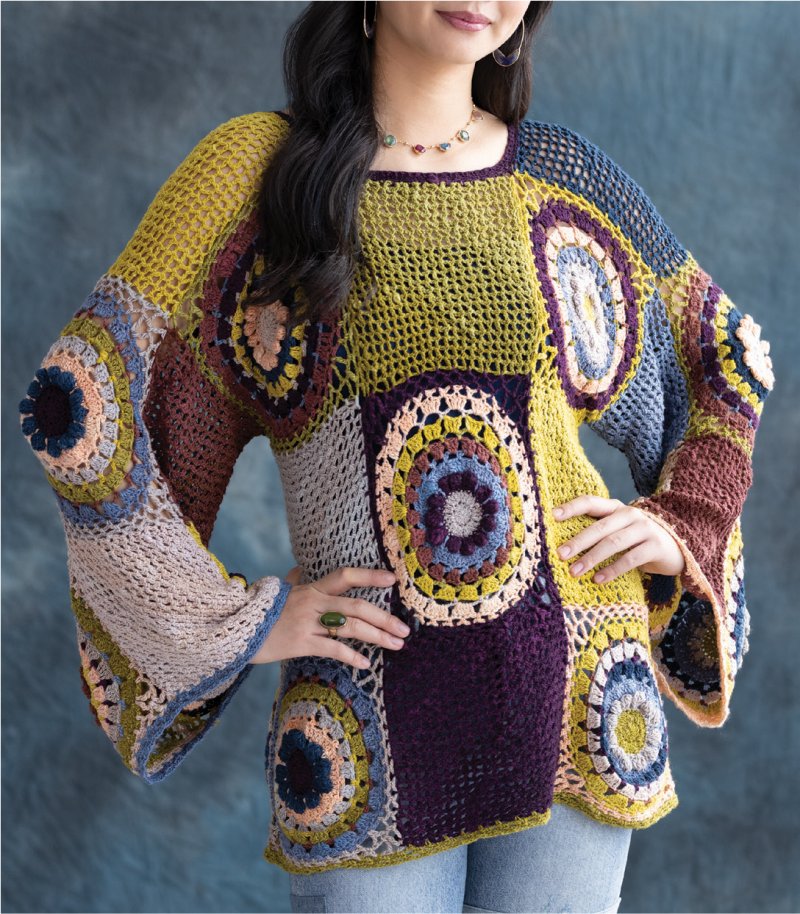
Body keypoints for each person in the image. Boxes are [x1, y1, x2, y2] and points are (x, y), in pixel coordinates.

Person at [17, 2, 775, 913]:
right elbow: (78, 402)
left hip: (578, 690)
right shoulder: (260, 171)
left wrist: (686, 519)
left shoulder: (559, 177)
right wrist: (238, 618)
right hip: (368, 712)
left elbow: (726, 354)